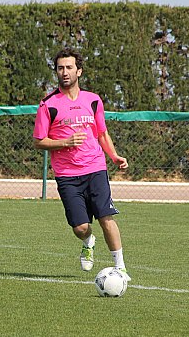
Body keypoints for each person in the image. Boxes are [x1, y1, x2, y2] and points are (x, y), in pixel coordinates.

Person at [33, 47, 132, 280]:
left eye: (69, 67)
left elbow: (102, 134)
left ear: (79, 71)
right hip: (67, 174)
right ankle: (88, 241)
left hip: (96, 168)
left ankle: (121, 268)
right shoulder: (48, 104)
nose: (64, 72)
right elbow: (39, 141)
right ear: (56, 72)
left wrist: (114, 156)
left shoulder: (94, 100)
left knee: (106, 217)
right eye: (60, 68)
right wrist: (64, 142)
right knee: (80, 227)